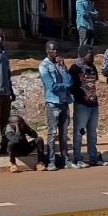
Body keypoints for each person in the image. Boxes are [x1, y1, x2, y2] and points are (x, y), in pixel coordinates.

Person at [38, 40, 72, 170]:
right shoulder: (43, 66)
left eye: (57, 49)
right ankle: (51, 161)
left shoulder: (60, 64)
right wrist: (66, 85)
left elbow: (69, 80)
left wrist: (63, 67)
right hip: (52, 103)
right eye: (52, 50)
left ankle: (65, 159)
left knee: (64, 134)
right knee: (52, 133)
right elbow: (51, 86)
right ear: (47, 50)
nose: (55, 52)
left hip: (64, 102)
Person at [69, 45, 104, 167]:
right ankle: (77, 158)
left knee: (92, 132)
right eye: (91, 55)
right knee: (79, 132)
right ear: (83, 55)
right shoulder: (74, 68)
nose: (93, 58)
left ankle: (93, 157)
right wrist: (83, 96)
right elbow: (71, 87)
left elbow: (94, 84)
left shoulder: (93, 67)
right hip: (82, 105)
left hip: (94, 104)